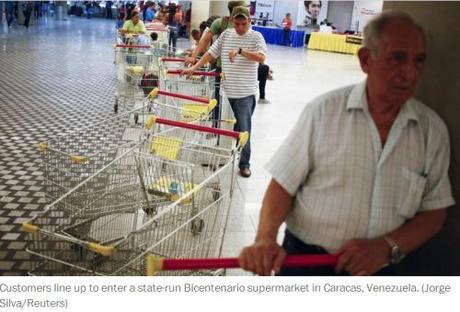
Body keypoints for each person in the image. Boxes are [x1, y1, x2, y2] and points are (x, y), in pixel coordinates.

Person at [239, 11, 455, 276]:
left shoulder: (431, 130)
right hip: (309, 265)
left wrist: (386, 247)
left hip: (384, 269)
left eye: (418, 61)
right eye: (397, 58)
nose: (410, 73)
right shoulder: (323, 113)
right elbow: (283, 184)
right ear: (366, 60)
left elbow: (435, 212)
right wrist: (265, 239)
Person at [182, 6, 267, 178]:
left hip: (245, 94)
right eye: (237, 23)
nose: (241, 27)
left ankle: (244, 164)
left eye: (244, 24)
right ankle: (222, 156)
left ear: (250, 22)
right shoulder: (226, 35)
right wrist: (195, 67)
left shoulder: (256, 37)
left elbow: (261, 58)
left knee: (244, 130)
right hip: (226, 92)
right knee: (222, 127)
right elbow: (211, 54)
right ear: (232, 21)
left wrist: (241, 51)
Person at [185, 1, 247, 130]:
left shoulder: (247, 23)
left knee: (238, 100)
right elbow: (206, 40)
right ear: (235, 9)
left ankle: (235, 128)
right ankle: (216, 127)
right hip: (222, 68)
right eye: (243, 7)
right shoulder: (221, 23)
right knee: (218, 97)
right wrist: (194, 56)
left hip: (240, 70)